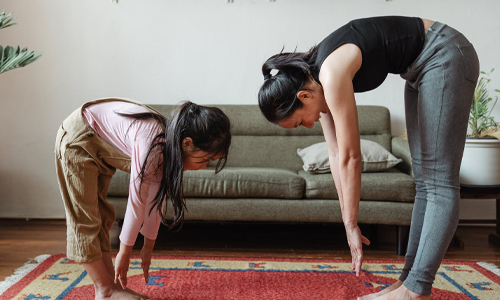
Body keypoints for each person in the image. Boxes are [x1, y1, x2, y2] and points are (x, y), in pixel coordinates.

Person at [258, 16, 479, 299]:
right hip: (417, 69)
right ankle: (408, 282)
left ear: (303, 96)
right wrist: (346, 220)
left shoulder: (331, 74)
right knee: (425, 183)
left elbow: (352, 157)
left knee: (439, 182)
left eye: (301, 121)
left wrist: (352, 224)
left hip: (444, 54)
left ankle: (416, 290)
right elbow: (336, 154)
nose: (309, 126)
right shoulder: (317, 86)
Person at [55, 98, 231, 300]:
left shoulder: (169, 147)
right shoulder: (153, 141)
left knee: (101, 216)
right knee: (84, 219)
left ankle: (109, 288)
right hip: (78, 139)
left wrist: (148, 246)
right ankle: (106, 289)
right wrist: (124, 252)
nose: (203, 167)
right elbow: (137, 200)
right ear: (187, 143)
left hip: (97, 146)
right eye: (206, 159)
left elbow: (155, 199)